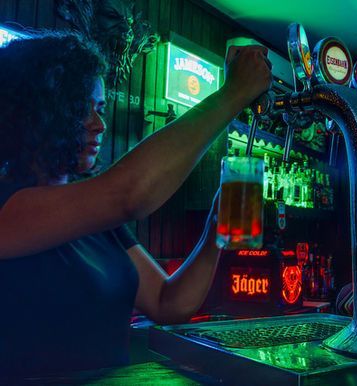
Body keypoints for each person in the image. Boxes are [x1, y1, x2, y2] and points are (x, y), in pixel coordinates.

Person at [0, 31, 271, 376]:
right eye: (82, 109)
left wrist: (216, 227)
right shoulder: (6, 206)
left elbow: (168, 302)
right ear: (41, 112)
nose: (99, 125)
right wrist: (233, 93)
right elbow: (130, 193)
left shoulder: (100, 221)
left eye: (100, 109)